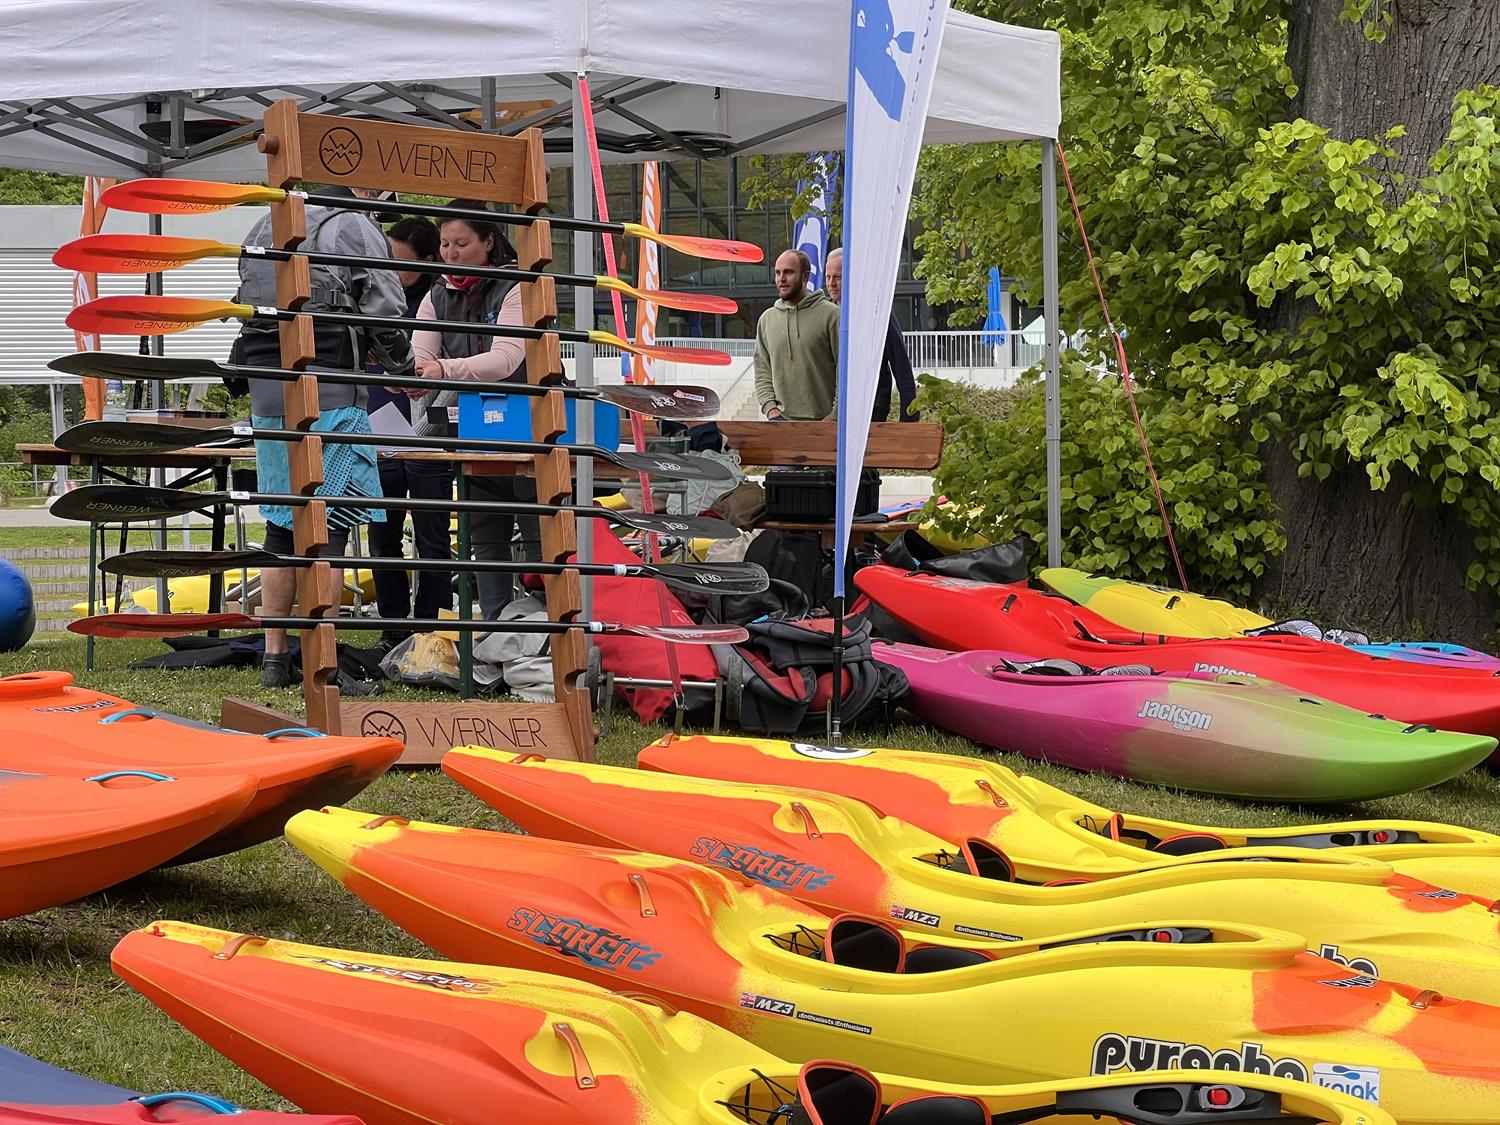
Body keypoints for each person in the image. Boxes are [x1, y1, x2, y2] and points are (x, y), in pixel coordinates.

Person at [231, 186, 413, 692]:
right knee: (329, 529)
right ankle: (323, 663)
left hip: (269, 392)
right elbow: (384, 305)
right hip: (331, 385)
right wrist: (404, 365)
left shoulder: (267, 221)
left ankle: (274, 660)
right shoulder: (353, 223)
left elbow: (244, 294)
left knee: (282, 524)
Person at [408, 200, 538, 619]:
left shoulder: (519, 286)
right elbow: (419, 354)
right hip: (476, 430)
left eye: (461, 243)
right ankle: (496, 626)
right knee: (484, 532)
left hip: (531, 424)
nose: (451, 253)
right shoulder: (436, 293)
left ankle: (546, 625)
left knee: (538, 530)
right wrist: (409, 377)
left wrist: (441, 368)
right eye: (445, 244)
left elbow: (504, 361)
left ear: (489, 241)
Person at [364, 216, 455, 653]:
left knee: (432, 538)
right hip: (380, 427)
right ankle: (392, 629)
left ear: (428, 259)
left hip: (429, 428)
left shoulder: (439, 299)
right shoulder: (371, 296)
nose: (389, 270)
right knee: (381, 538)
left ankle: (428, 630)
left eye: (399, 262)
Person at [824, 247, 920, 423]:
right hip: (831, 405)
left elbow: (900, 365)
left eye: (838, 277)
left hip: (871, 404)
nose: (831, 284)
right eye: (828, 277)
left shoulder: (877, 312)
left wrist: (909, 419)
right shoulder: (823, 313)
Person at [753, 249, 840, 420]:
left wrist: (834, 416)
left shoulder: (833, 316)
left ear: (805, 276)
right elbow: (762, 369)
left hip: (826, 428)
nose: (781, 279)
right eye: (778, 273)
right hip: (781, 428)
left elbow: (845, 373)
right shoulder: (767, 319)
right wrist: (771, 409)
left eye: (789, 272)